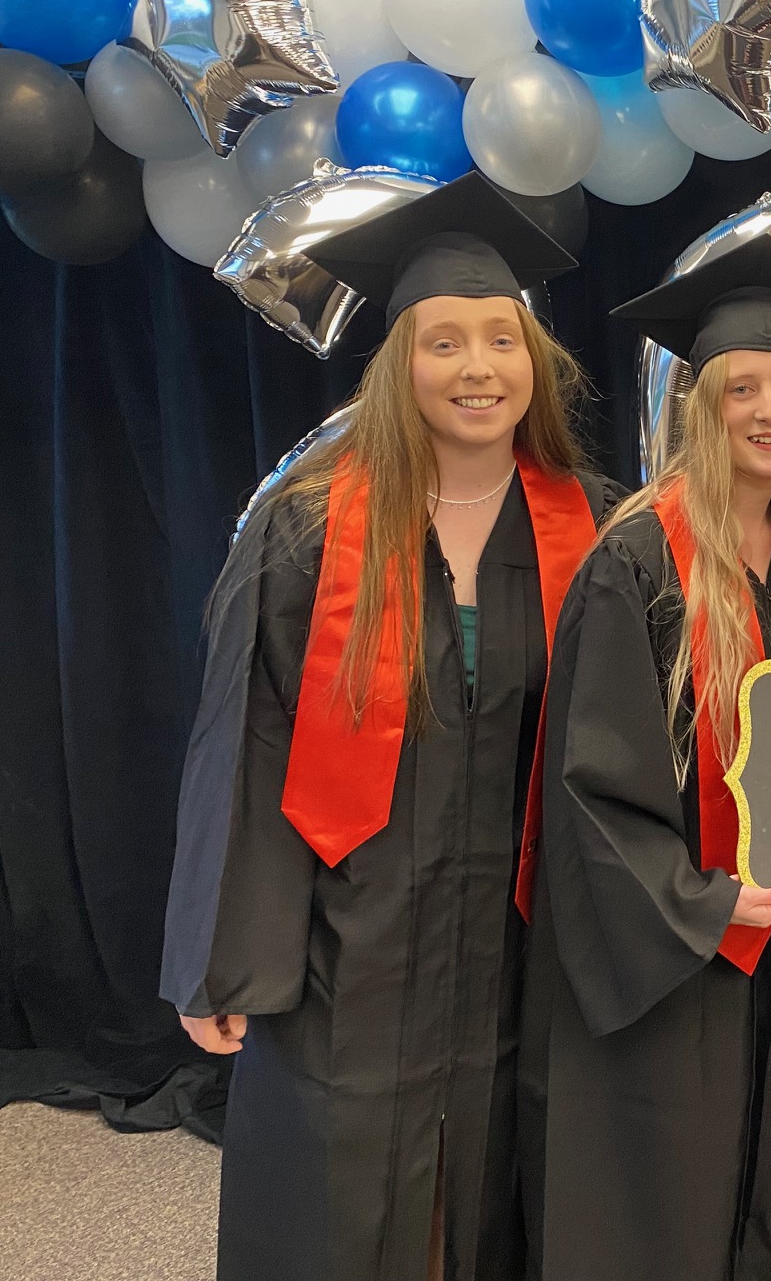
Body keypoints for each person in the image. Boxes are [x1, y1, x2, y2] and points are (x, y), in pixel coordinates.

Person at [160, 173, 620, 1281]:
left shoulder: (594, 528)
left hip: (520, 931)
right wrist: (222, 960)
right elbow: (244, 743)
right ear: (397, 365)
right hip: (349, 931)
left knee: (507, 1181)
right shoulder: (308, 527)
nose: (477, 368)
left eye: (501, 341)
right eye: (443, 342)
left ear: (536, 363)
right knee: (338, 1182)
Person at [522, 236, 771, 1281]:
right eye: (740, 390)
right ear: (700, 410)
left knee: (762, 1177)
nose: (769, 411)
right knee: (666, 1187)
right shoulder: (637, 560)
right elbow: (588, 787)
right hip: (675, 940)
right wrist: (710, 902)